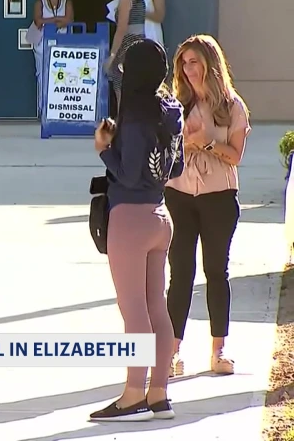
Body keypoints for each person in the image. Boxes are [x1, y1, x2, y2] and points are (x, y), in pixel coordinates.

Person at [89, 38, 184, 422]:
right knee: (156, 307)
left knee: (133, 312)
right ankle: (159, 393)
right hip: (161, 214)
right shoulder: (172, 111)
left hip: (129, 217)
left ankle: (133, 395)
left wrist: (103, 148)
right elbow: (174, 169)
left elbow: (126, 171)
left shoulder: (134, 115)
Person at [165, 34, 251, 377]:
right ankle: (172, 353)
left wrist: (207, 142)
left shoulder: (232, 106)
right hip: (180, 195)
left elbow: (234, 157)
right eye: (183, 63)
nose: (188, 70)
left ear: (210, 64)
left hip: (218, 197)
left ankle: (219, 351)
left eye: (194, 62)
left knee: (216, 272)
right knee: (180, 273)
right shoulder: (175, 104)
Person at [31, 0, 73, 115]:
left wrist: (47, 20)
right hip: (42, 45)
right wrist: (57, 19)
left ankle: (59, 109)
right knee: (43, 76)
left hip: (62, 45)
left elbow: (69, 20)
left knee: (62, 76)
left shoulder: (67, 2)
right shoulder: (40, 3)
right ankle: (43, 109)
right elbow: (38, 21)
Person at [106, 0, 146, 107]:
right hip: (140, 45)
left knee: (121, 89)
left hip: (127, 47)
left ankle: (123, 121)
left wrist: (112, 56)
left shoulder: (126, 0)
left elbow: (121, 30)